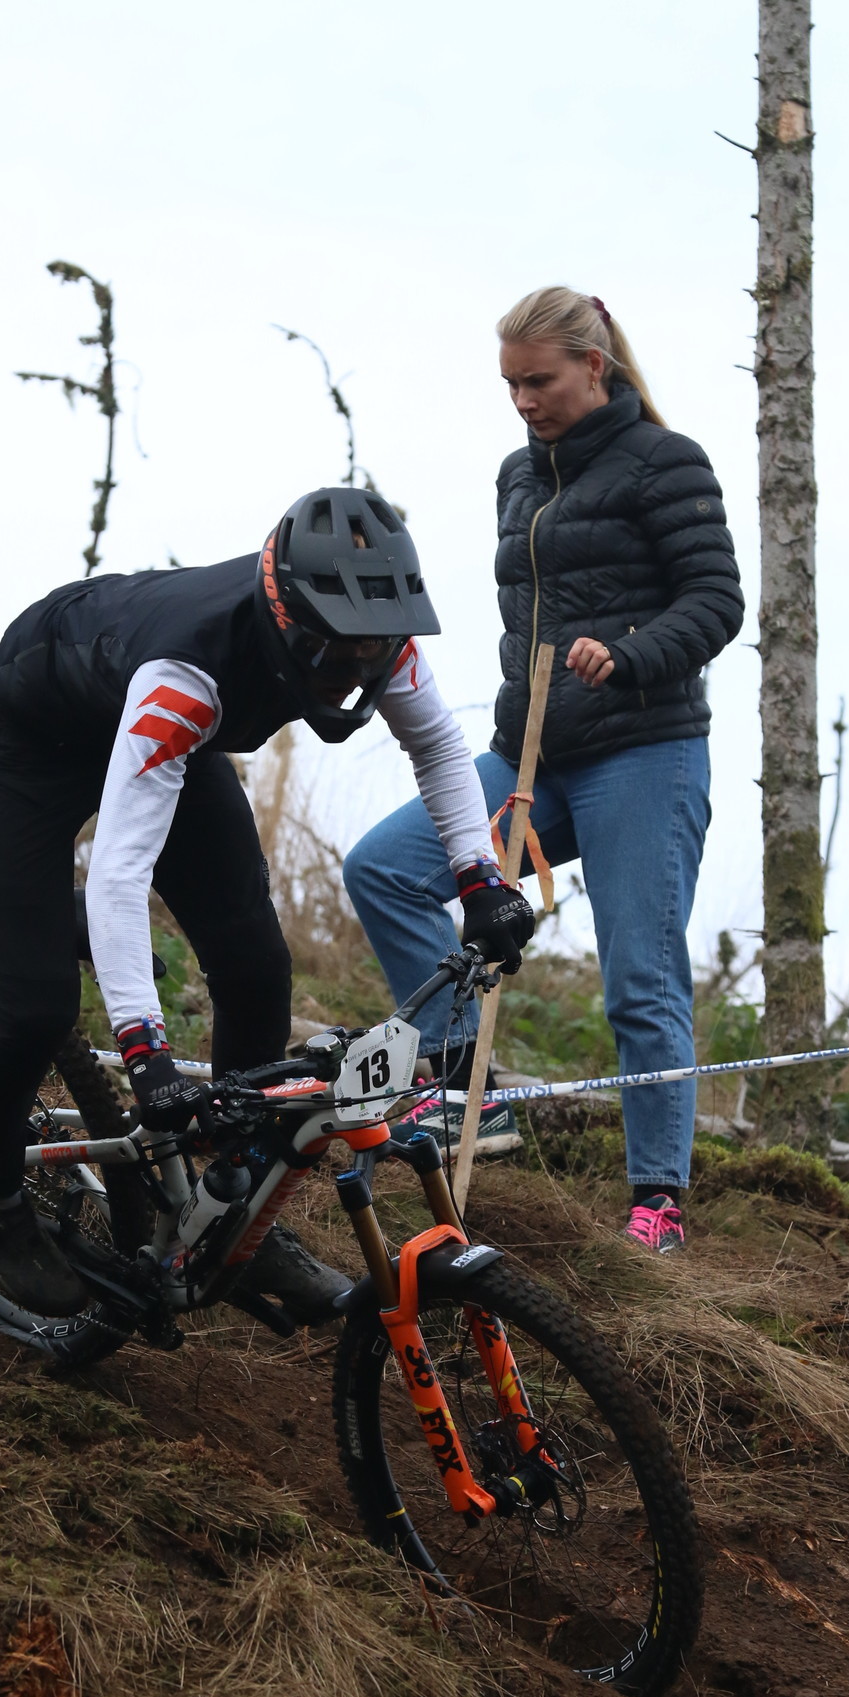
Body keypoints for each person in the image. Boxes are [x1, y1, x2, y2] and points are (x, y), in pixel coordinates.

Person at [0, 486, 535, 1316]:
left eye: (369, 655)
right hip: (35, 736)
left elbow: (439, 747)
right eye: (336, 657)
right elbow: (121, 871)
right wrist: (147, 1057)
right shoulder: (185, 678)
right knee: (39, 1004)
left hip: (161, 733)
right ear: (288, 623)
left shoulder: (375, 633)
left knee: (257, 971)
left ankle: (234, 1211)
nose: (354, 673)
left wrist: (480, 882)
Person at [344, 288, 744, 1254]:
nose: (523, 400)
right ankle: (461, 1084)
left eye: (539, 381)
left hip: (644, 753)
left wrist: (632, 654)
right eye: (510, 385)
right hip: (528, 756)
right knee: (386, 869)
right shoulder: (517, 476)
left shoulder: (665, 461)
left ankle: (657, 1204)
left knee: (639, 981)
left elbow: (716, 601)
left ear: (592, 367)